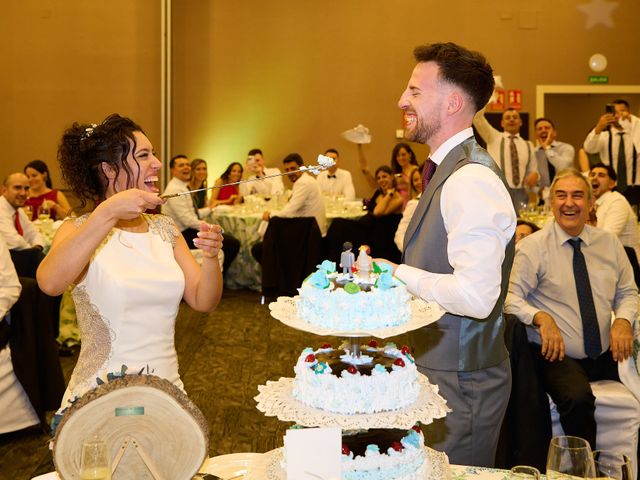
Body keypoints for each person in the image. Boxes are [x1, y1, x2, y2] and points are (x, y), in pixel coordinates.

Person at [36, 114, 224, 418]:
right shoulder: (79, 230)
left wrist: (212, 258)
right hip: (101, 394)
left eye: (154, 153)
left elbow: (205, 301)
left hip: (166, 388)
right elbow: (49, 283)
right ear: (109, 170)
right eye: (144, 155)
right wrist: (107, 212)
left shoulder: (165, 228)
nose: (158, 164)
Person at [381, 42, 516, 466]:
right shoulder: (448, 171)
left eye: (416, 91)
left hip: (462, 381)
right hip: (439, 370)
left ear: (454, 102)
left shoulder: (470, 178)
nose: (402, 100)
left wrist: (400, 274)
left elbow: (477, 297)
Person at [505, 168, 637, 449]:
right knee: (577, 398)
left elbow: (627, 291)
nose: (569, 203)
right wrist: (540, 317)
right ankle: (584, 467)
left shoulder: (609, 244)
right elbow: (511, 298)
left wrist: (623, 320)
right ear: (551, 203)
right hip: (557, 353)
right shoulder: (532, 248)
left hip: (605, 351)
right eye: (561, 196)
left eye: (578, 196)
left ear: (591, 204)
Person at [162, 155, 240, 274]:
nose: (186, 168)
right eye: (181, 165)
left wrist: (210, 209)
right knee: (230, 244)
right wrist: (210, 227)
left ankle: (217, 277)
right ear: (173, 170)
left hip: (187, 229)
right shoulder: (174, 189)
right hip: (180, 235)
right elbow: (188, 220)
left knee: (228, 241)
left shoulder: (182, 186)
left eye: (187, 165)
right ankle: (215, 278)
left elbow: (193, 213)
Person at [474, 107, 539, 207]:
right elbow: (477, 118)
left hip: (521, 194)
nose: (511, 119)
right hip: (498, 191)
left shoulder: (529, 145)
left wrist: (535, 175)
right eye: (507, 118)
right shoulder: (493, 137)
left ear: (520, 122)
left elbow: (533, 170)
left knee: (522, 222)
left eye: (515, 117)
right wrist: (490, 96)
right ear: (502, 123)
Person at [583, 99, 640, 204]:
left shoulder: (636, 134)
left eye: (622, 111)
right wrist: (598, 127)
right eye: (615, 112)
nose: (618, 115)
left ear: (629, 113)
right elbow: (589, 148)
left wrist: (634, 122)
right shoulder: (604, 135)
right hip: (610, 187)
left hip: (636, 186)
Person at [262, 153, 326, 235]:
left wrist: (270, 215)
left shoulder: (303, 183)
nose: (290, 173)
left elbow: (289, 212)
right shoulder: (307, 180)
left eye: (293, 169)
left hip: (310, 235)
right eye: (287, 170)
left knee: (271, 229)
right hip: (312, 230)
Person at [589, 162, 640, 260]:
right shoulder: (591, 204)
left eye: (601, 175)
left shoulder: (617, 201)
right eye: (592, 174)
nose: (594, 178)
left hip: (626, 264)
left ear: (612, 184)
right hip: (604, 259)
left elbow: (607, 238)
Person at [0, 173, 44, 251]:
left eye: (26, 188)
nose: (23, 193)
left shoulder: (18, 211)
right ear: (4, 190)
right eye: (17, 188)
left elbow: (34, 233)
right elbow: (14, 242)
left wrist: (37, 247)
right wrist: (33, 252)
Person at [533, 118, 575, 192]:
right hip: (544, 197)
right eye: (539, 129)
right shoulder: (533, 153)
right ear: (536, 135)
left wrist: (547, 148)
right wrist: (537, 191)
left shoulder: (566, 148)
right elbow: (529, 179)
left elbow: (563, 166)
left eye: (547, 128)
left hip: (566, 191)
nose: (543, 130)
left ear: (555, 133)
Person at [394, 167, 422, 250]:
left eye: (422, 177)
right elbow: (400, 234)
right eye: (416, 180)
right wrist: (410, 252)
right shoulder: (414, 204)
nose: (420, 182)